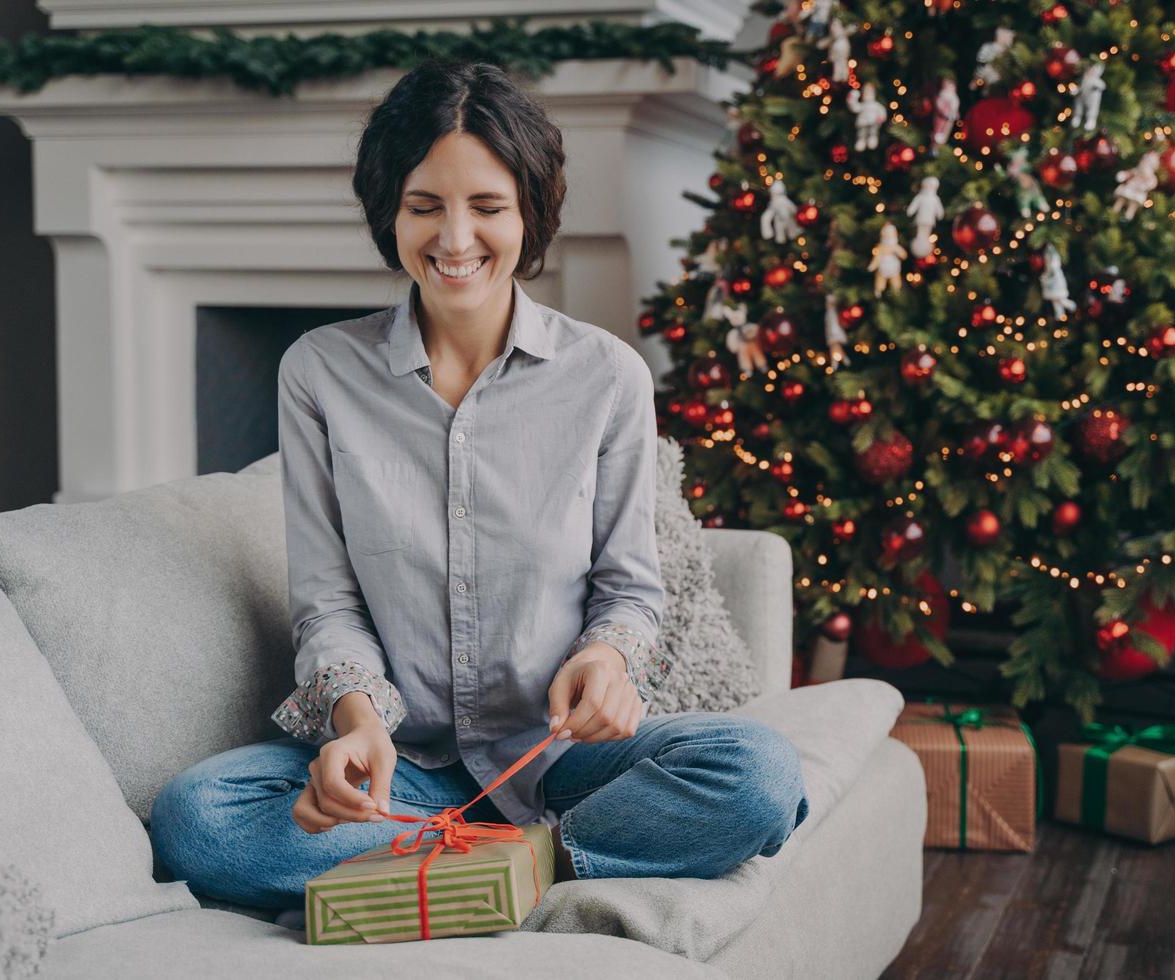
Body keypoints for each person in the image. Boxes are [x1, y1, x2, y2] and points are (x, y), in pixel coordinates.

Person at [148, 59, 809, 921]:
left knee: (759, 774)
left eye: (487, 207)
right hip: (405, 769)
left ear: (530, 212)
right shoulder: (318, 373)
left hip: (564, 765)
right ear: (390, 212)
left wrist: (607, 660)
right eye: (425, 206)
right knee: (197, 820)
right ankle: (508, 868)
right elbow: (326, 601)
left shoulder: (607, 376)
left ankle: (500, 865)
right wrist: (357, 722)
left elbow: (629, 591)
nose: (455, 240)